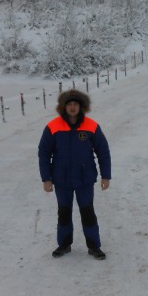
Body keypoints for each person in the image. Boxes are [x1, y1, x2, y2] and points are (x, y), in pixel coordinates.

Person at [38, 89, 111, 260]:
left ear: (81, 107)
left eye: (75, 104)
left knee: (88, 212)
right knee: (63, 212)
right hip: (61, 179)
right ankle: (64, 245)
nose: (72, 107)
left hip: (85, 179)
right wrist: (46, 179)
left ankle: (94, 246)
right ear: (64, 107)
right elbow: (43, 153)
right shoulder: (53, 126)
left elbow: (103, 152)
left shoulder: (91, 126)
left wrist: (105, 175)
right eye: (69, 104)